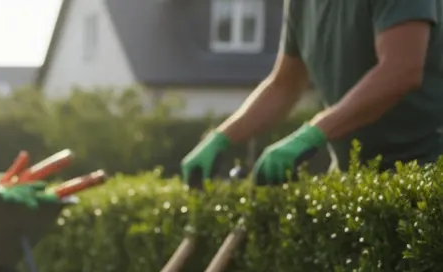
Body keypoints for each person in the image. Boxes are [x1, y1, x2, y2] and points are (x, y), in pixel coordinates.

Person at [182, 0, 443, 187]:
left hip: (426, 177)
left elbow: (401, 70)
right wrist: (221, 138)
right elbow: (284, 85)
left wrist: (313, 132)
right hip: (352, 180)